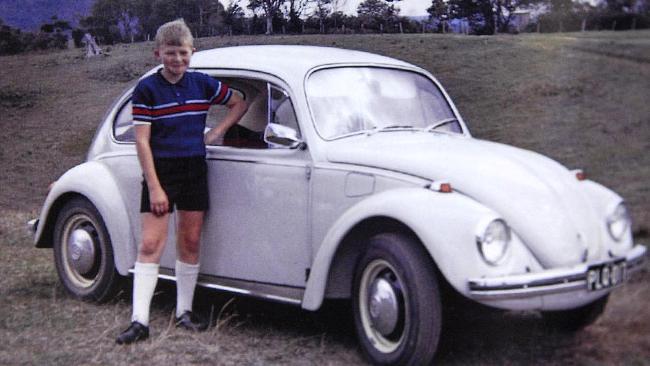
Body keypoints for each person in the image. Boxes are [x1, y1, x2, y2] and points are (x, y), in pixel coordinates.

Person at [116, 19, 247, 345]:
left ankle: (183, 312)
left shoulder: (202, 83)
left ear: (192, 53)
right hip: (160, 172)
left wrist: (217, 132)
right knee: (150, 245)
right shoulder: (146, 89)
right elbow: (142, 142)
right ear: (158, 53)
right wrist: (156, 186)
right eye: (171, 53)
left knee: (189, 242)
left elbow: (239, 101)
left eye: (183, 53)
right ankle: (140, 321)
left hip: (194, 170)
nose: (177, 60)